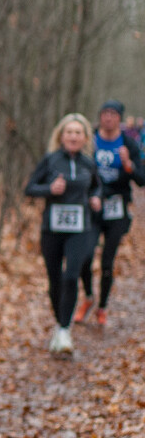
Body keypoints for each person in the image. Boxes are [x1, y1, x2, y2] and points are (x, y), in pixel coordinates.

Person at [24, 113, 102, 354]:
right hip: (52, 228)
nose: (73, 136)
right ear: (61, 135)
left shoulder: (89, 162)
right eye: (69, 132)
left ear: (85, 137)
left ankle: (65, 331)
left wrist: (96, 197)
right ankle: (60, 323)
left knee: (71, 275)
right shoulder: (50, 160)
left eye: (78, 133)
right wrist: (50, 189)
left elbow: (97, 185)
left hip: (80, 228)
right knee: (54, 279)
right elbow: (29, 188)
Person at [74, 99, 145, 325]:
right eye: (104, 113)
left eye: (113, 114)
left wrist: (129, 165)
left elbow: (141, 180)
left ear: (120, 118)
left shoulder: (129, 144)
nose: (108, 118)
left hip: (117, 209)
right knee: (85, 256)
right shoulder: (90, 138)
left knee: (107, 262)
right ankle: (88, 297)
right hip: (92, 206)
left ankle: (102, 307)